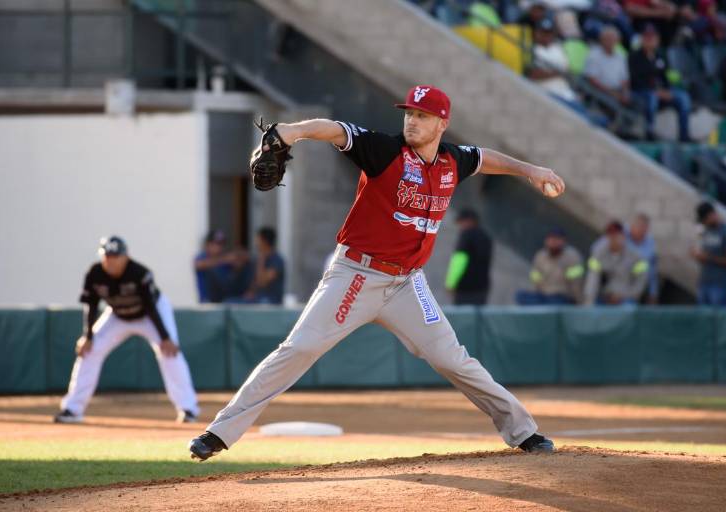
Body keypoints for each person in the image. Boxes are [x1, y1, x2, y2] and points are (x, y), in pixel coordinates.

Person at [188, 84, 564, 460]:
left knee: (454, 359)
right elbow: (335, 129)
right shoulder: (385, 152)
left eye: (422, 116)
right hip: (356, 274)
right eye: (409, 113)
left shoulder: (452, 161)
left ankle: (524, 432)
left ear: (442, 124)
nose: (412, 121)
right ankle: (219, 432)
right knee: (299, 348)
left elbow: (484, 158)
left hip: (408, 284)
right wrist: (292, 131)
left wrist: (530, 170)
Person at [54, 236, 199, 424]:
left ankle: (188, 408)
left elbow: (150, 306)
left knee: (170, 353)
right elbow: (91, 305)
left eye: (116, 256)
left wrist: (165, 337)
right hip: (118, 315)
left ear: (126, 256)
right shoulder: (95, 273)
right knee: (89, 350)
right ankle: (72, 409)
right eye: (107, 256)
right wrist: (87, 336)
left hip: (150, 314)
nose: (111, 261)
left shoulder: (139, 273)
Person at [526, 19, 607, 127]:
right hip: (547, 92)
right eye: (543, 32)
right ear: (536, 33)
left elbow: (567, 71)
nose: (546, 36)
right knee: (584, 119)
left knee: (601, 119)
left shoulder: (557, 48)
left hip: (566, 92)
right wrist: (558, 72)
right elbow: (533, 75)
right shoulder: (532, 49)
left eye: (549, 33)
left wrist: (557, 73)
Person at [629, 23, 692, 142]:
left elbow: (665, 77)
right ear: (642, 39)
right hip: (642, 91)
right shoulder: (634, 57)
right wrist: (656, 91)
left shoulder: (660, 57)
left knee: (683, 97)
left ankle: (684, 135)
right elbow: (636, 80)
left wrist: (667, 90)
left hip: (660, 91)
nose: (650, 40)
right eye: (647, 37)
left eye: (653, 37)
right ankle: (649, 132)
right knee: (652, 98)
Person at [584, 221, 649, 305]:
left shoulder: (636, 257)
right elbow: (593, 278)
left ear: (623, 236)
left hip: (626, 297)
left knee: (628, 310)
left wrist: (625, 295)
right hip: (604, 296)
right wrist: (589, 300)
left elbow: (640, 283)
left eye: (616, 235)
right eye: (610, 235)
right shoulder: (598, 253)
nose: (613, 238)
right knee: (593, 309)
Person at [516, 227, 584, 304]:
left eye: (557, 239)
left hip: (562, 297)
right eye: (551, 239)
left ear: (563, 241)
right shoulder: (540, 256)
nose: (553, 242)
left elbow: (576, 285)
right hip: (543, 295)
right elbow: (536, 280)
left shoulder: (572, 257)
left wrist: (579, 302)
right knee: (520, 295)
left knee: (555, 302)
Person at [692, 202, 726, 306]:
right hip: (704, 282)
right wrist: (698, 256)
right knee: (703, 318)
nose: (704, 223)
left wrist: (708, 258)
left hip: (720, 284)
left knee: (717, 318)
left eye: (705, 220)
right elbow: (704, 256)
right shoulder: (706, 231)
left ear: (711, 215)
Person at [444, 209, 493, 305]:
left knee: (462, 317)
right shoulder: (485, 236)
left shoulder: (466, 236)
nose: (460, 226)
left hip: (465, 288)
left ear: (469, 221)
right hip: (482, 288)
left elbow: (459, 261)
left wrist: (450, 284)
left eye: (461, 222)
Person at [194, 229, 251, 303]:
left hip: (224, 301)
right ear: (208, 244)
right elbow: (199, 264)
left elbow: (243, 261)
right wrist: (225, 259)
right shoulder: (202, 257)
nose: (220, 247)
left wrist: (239, 256)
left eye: (222, 244)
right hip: (207, 301)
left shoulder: (223, 257)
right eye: (217, 244)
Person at [584, 25, 631, 106]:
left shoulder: (620, 56)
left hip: (618, 91)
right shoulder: (594, 54)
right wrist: (613, 94)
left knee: (639, 103)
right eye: (607, 39)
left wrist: (625, 93)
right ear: (601, 39)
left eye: (613, 39)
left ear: (617, 41)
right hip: (600, 91)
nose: (610, 41)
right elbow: (592, 80)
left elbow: (625, 79)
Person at [242, 227, 286, 305]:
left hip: (271, 300)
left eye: (258, 239)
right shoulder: (257, 259)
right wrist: (250, 292)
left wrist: (262, 259)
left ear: (264, 241)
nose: (256, 243)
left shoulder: (277, 260)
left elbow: (262, 282)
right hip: (258, 298)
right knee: (231, 302)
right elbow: (255, 283)